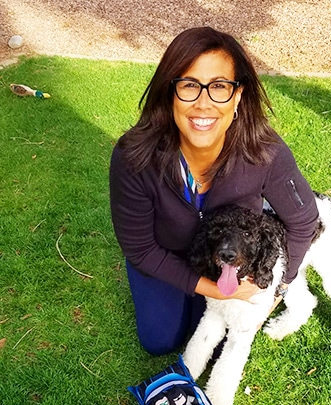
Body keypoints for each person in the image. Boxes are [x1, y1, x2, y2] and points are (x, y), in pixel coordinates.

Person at [110, 27, 319, 356]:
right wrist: (214, 291)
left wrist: (278, 287)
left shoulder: (265, 151)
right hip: (167, 254)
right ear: (170, 93)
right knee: (160, 341)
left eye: (219, 87)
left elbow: (304, 220)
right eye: (190, 86)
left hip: (231, 260)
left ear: (237, 96)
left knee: (219, 340)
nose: (203, 104)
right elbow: (140, 249)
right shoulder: (133, 156)